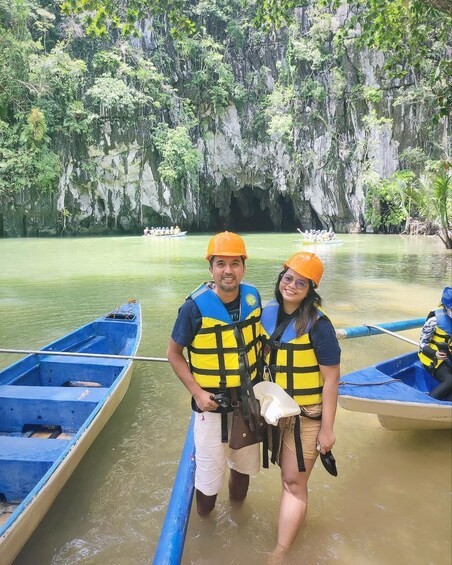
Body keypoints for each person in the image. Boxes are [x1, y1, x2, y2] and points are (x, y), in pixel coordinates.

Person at [167, 231, 262, 516]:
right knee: (207, 482)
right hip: (212, 406)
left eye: (235, 263)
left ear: (243, 267)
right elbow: (173, 354)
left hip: (247, 402)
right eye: (221, 263)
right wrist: (197, 392)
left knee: (243, 470)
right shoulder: (193, 308)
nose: (228, 271)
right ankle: (206, 527)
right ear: (211, 269)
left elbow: (260, 341)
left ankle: (237, 519)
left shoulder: (253, 298)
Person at [260, 251, 341, 563]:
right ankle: (292, 528)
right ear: (281, 278)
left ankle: (280, 552)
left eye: (301, 283)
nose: (291, 285)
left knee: (294, 484)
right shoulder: (267, 313)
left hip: (306, 415)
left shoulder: (319, 326)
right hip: (275, 410)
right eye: (288, 277)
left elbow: (331, 380)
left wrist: (328, 429)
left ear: (311, 289)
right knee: (288, 479)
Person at [418, 287, 452, 401]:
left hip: (450, 357)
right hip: (433, 358)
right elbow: (422, 345)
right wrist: (435, 353)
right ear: (445, 306)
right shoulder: (433, 321)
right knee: (449, 380)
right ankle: (428, 403)